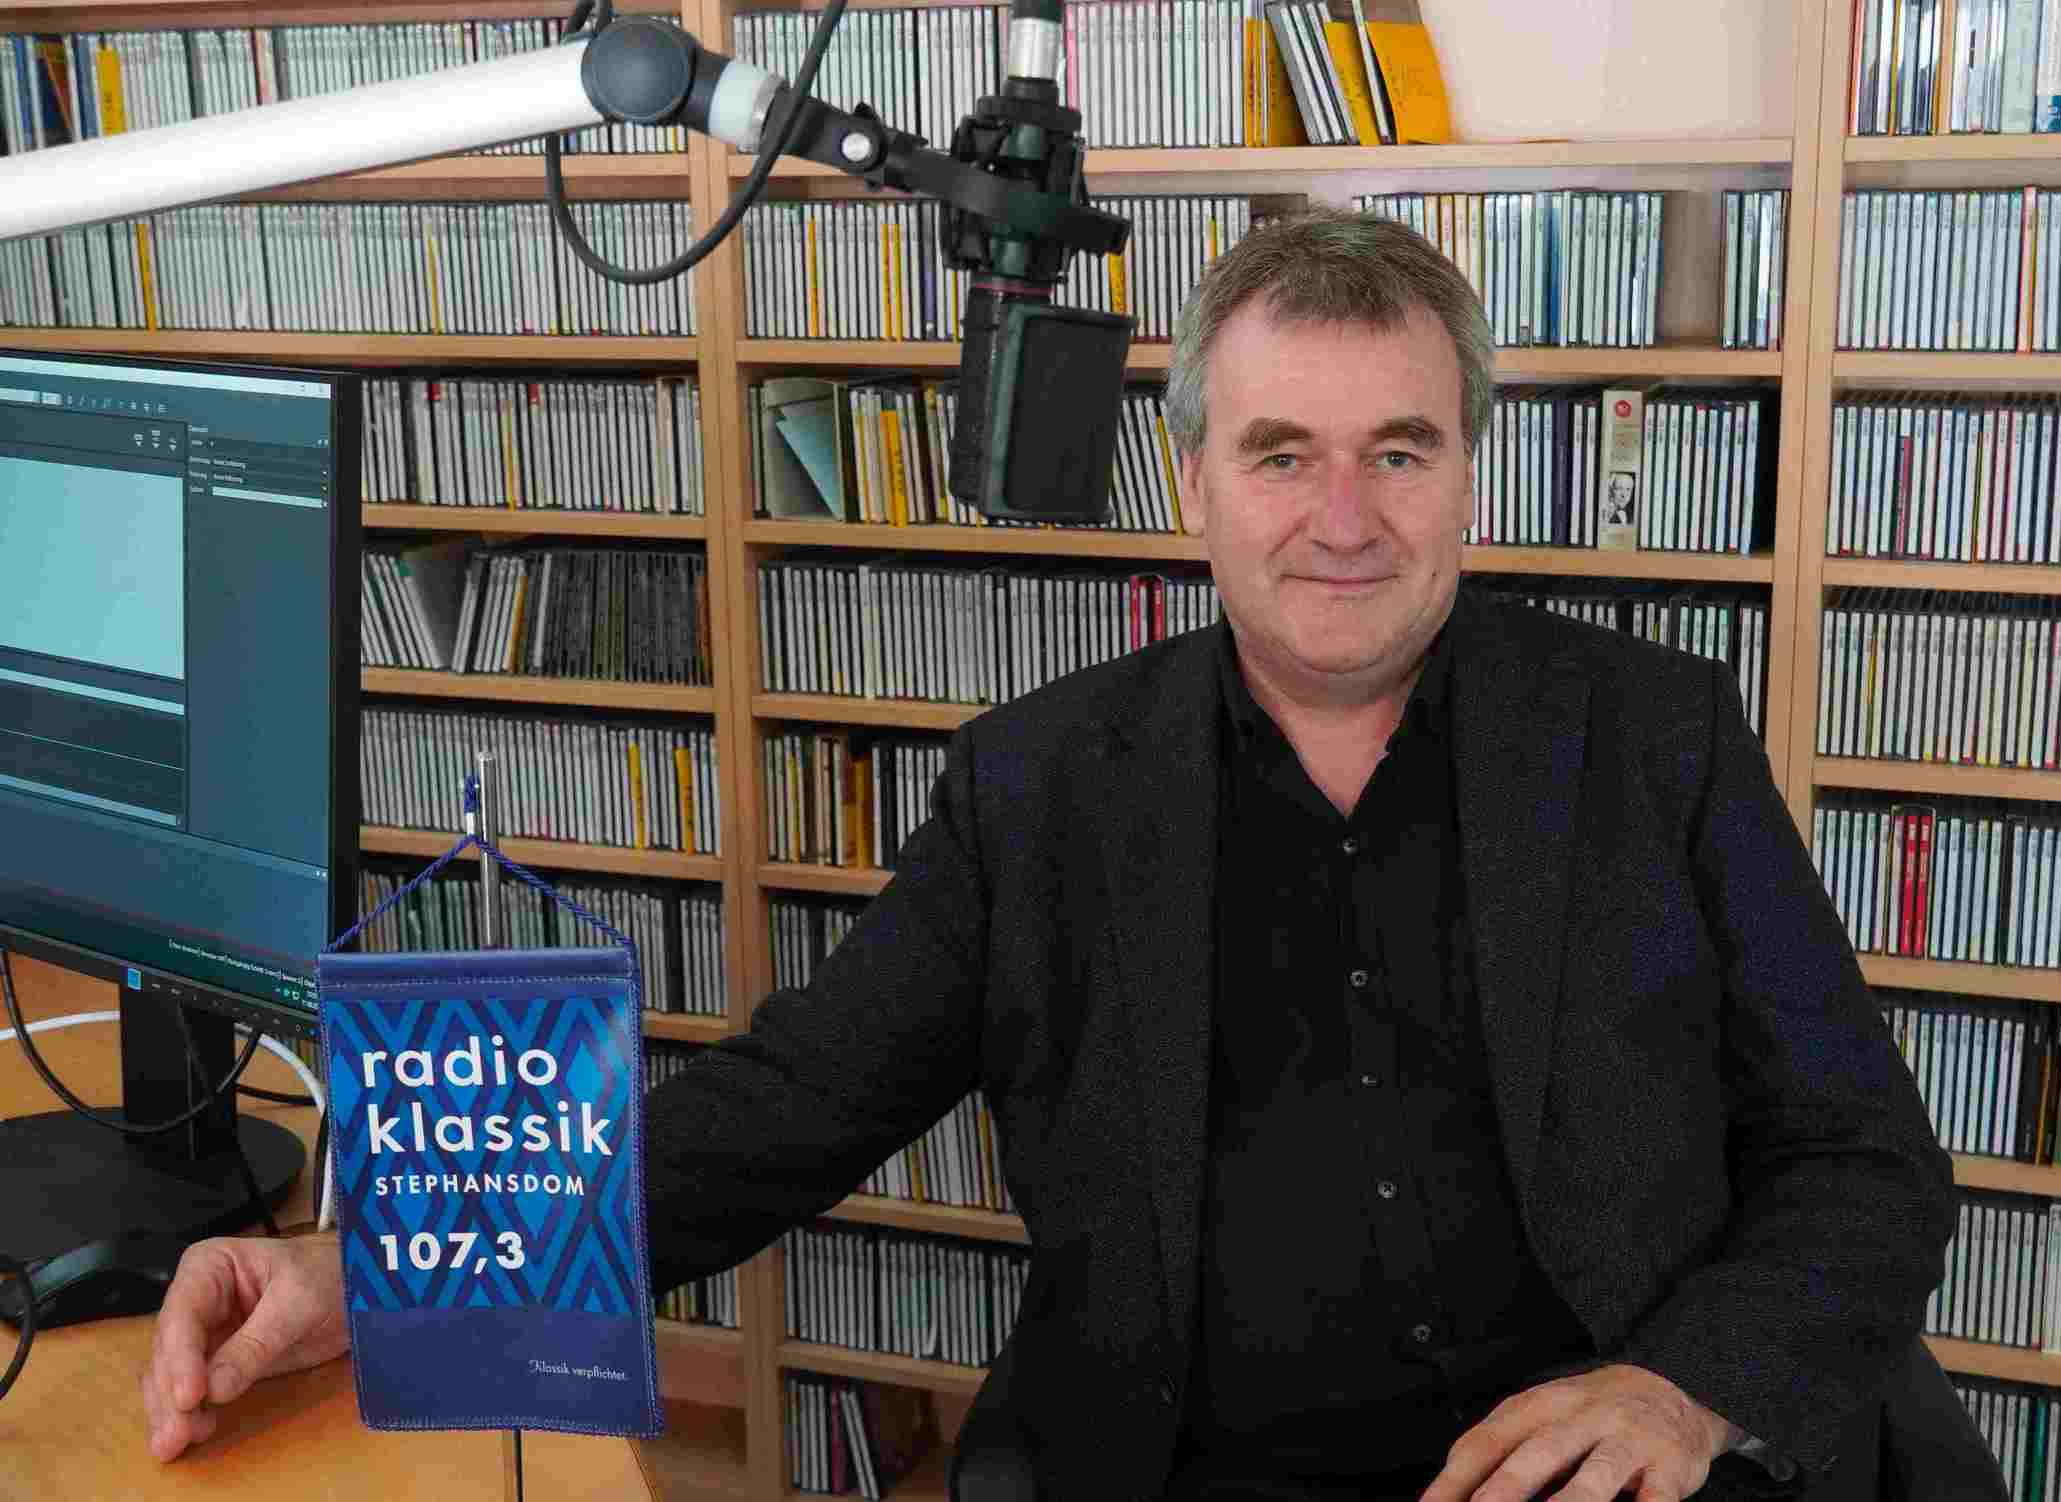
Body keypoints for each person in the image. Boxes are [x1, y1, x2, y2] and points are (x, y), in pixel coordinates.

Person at [142, 207, 1956, 1501]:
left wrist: (1684, 1389)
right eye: (1282, 454)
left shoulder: (1658, 739)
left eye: (1400, 450)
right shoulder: (1042, 790)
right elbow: (781, 1111)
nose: (1344, 518)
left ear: (1468, 474)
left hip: (1613, 1468)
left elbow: (1863, 1158)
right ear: (1191, 488)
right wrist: (371, 1267)